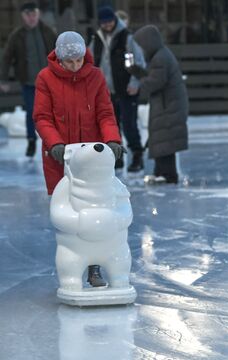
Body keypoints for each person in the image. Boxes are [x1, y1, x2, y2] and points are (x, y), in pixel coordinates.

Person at [33, 31, 125, 287]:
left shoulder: (95, 76)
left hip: (90, 158)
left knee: (96, 211)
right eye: (69, 61)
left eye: (79, 60)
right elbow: (42, 117)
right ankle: (73, 264)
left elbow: (105, 113)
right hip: (59, 156)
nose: (75, 66)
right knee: (70, 215)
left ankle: (95, 267)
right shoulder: (45, 78)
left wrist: (112, 140)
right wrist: (55, 144)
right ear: (60, 59)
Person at [126, 25, 188, 185]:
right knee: (161, 138)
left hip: (168, 105)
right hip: (166, 103)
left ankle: (168, 174)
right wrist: (137, 72)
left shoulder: (160, 57)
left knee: (165, 139)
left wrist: (139, 84)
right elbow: (153, 76)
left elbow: (156, 82)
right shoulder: (159, 55)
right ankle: (160, 171)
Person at [88, 6, 146, 172]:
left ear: (115, 20)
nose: (107, 25)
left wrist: (135, 83)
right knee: (111, 128)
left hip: (126, 90)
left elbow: (138, 63)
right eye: (104, 23)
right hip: (106, 93)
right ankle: (117, 157)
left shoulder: (127, 38)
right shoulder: (97, 39)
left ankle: (137, 155)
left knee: (129, 125)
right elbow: (90, 63)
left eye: (110, 21)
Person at [0, 2, 56, 157]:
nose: (31, 18)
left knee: (53, 112)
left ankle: (53, 142)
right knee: (32, 112)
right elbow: (6, 58)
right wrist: (3, 80)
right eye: (28, 15)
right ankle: (31, 141)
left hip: (49, 81)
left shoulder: (48, 31)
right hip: (28, 82)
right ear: (23, 16)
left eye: (34, 14)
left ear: (38, 14)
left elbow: (58, 53)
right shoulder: (16, 36)